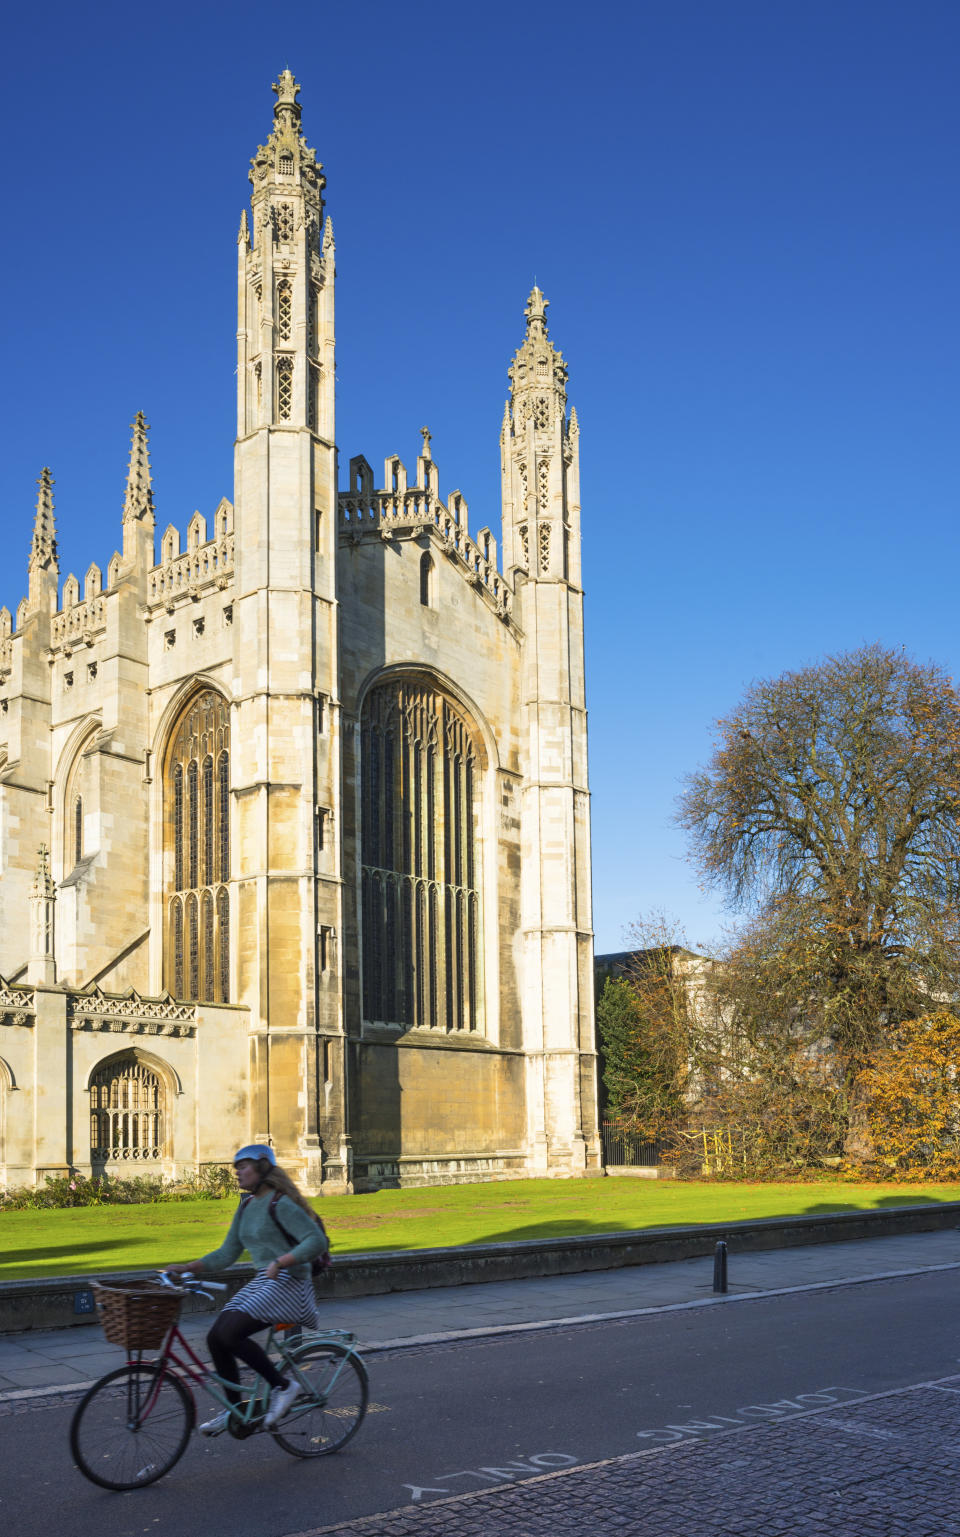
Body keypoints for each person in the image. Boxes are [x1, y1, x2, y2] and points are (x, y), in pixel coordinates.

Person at [166, 1144, 327, 1434]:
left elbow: (316, 1241)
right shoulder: (246, 1206)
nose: (238, 1172)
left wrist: (282, 1261)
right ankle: (235, 1411)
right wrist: (187, 1267)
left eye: (244, 1166)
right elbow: (227, 1253)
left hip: (291, 1283)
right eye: (236, 1168)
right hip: (266, 1283)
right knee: (216, 1338)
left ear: (264, 1167)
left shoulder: (281, 1203)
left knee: (230, 1333)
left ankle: (284, 1386)